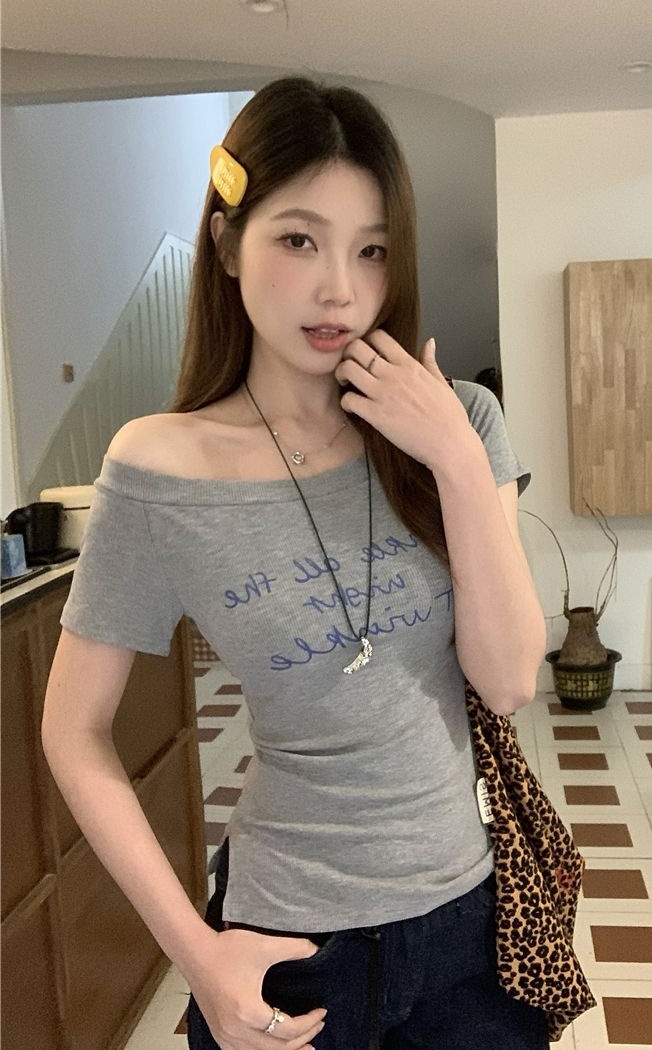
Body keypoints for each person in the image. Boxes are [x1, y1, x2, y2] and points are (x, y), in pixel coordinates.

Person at [42, 76, 548, 1050]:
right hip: (287, 946)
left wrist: (451, 455)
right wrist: (195, 953)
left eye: (372, 250)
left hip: (467, 938)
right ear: (228, 244)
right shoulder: (159, 469)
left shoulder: (459, 424)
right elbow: (73, 730)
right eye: (299, 240)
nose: (340, 290)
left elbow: (509, 677)